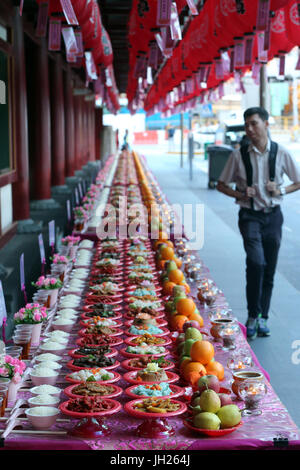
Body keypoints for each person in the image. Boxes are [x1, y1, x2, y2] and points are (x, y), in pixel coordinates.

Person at [217, 107, 300, 339]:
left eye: (254, 123)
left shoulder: (280, 152)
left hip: (273, 216)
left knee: (269, 267)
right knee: (256, 263)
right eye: (247, 125)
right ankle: (252, 314)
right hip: (249, 216)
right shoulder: (239, 154)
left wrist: (281, 188)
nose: (250, 129)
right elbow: (221, 184)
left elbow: (298, 181)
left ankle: (263, 316)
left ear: (266, 124)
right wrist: (241, 194)